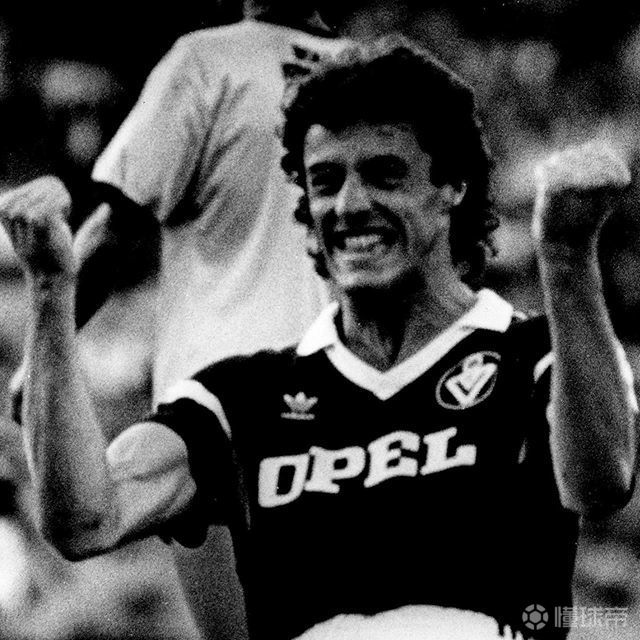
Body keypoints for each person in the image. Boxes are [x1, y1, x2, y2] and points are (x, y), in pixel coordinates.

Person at [1, 40, 636, 640]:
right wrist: (53, 291)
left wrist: (566, 255)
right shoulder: (240, 397)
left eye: (384, 175)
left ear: (452, 188)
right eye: (326, 182)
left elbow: (602, 481)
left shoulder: (535, 354)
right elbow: (86, 519)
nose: (350, 204)